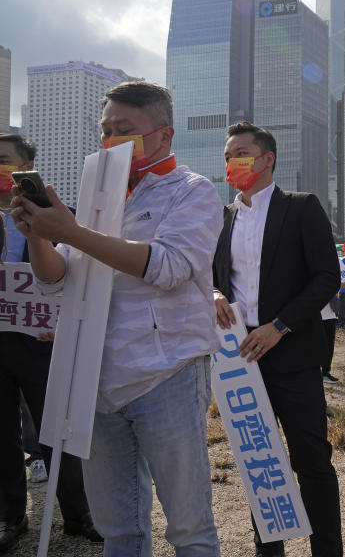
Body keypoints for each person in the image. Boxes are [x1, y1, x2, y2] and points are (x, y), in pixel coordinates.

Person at [16, 82, 222, 556]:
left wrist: (71, 230)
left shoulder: (193, 191)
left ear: (163, 135)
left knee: (189, 526)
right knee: (118, 527)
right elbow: (56, 277)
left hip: (167, 371)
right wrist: (39, 235)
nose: (109, 141)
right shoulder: (96, 196)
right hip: (96, 375)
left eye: (123, 131)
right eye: (105, 131)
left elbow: (169, 267)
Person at [212, 121, 343, 557]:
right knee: (259, 462)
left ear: (267, 159)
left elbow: (326, 276)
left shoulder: (301, 207)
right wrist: (214, 295)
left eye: (242, 153)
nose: (233, 162)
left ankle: (327, 549)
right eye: (229, 155)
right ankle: (268, 550)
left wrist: (280, 325)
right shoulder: (224, 216)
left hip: (292, 351)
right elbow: (215, 278)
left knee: (311, 461)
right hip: (240, 357)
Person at [0, 133, 100, 553]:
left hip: (45, 345)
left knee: (58, 431)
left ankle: (78, 516)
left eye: (3, 160)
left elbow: (80, 281)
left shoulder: (61, 218)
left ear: (25, 168)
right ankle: (11, 516)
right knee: (2, 436)